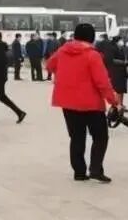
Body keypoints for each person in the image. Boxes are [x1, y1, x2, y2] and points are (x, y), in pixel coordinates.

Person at [47, 23, 120, 182]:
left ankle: (79, 172)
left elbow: (49, 65)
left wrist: (65, 74)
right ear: (92, 38)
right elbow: (102, 82)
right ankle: (95, 169)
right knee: (100, 136)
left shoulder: (62, 51)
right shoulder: (92, 55)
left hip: (68, 102)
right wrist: (113, 101)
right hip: (91, 103)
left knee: (76, 137)